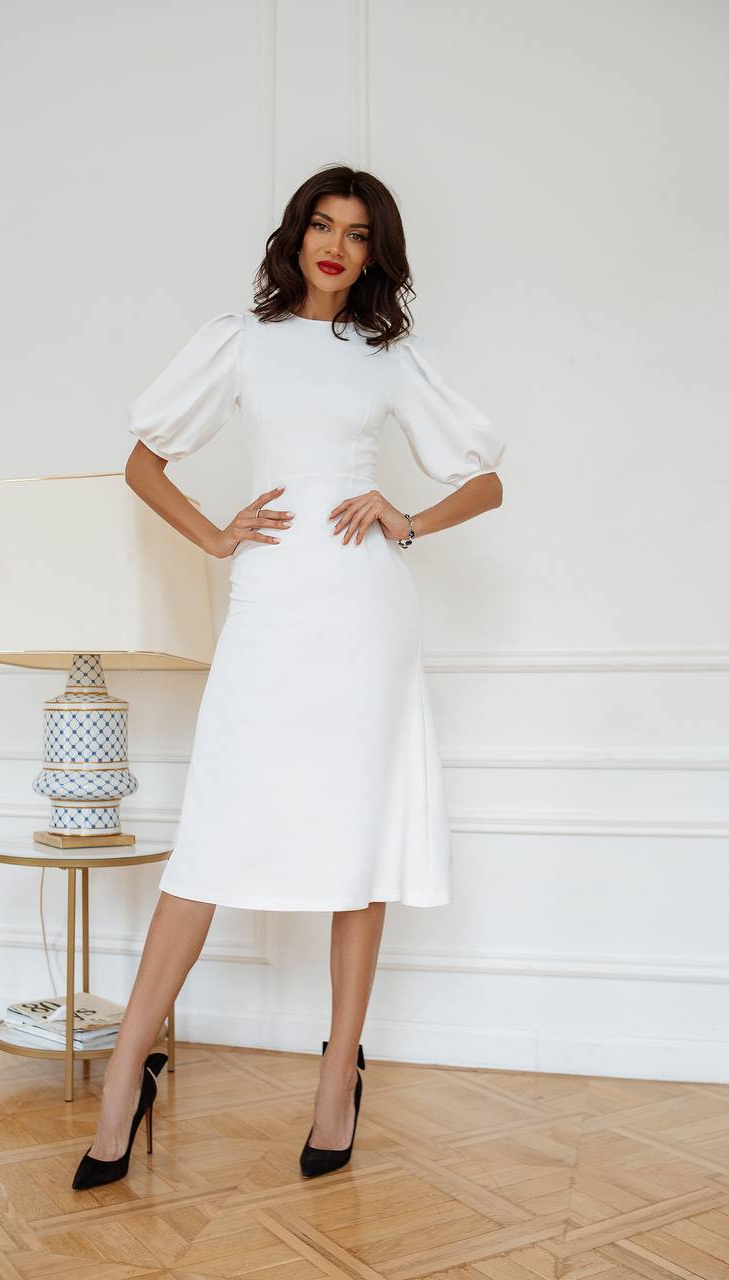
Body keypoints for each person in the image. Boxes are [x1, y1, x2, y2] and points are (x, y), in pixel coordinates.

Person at [71, 164, 505, 1191]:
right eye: (322, 223)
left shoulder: (390, 354)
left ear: (374, 253)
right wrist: (218, 536)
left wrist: (405, 516)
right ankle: (126, 1070)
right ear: (296, 233)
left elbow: (485, 477)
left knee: (357, 846)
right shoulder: (242, 340)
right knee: (214, 832)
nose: (336, 246)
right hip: (270, 607)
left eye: (358, 233)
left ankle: (335, 1078)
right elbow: (143, 461)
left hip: (363, 613)